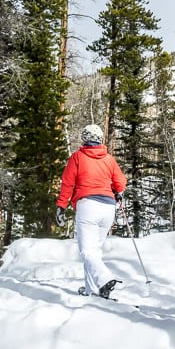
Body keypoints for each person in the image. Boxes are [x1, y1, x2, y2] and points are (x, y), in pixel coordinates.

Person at [56, 124, 127, 300]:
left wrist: (61, 206)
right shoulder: (109, 159)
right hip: (108, 208)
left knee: (87, 251)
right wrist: (115, 190)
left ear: (84, 139)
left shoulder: (77, 157)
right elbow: (121, 183)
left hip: (88, 206)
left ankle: (105, 278)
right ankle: (92, 289)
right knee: (94, 251)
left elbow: (67, 184)